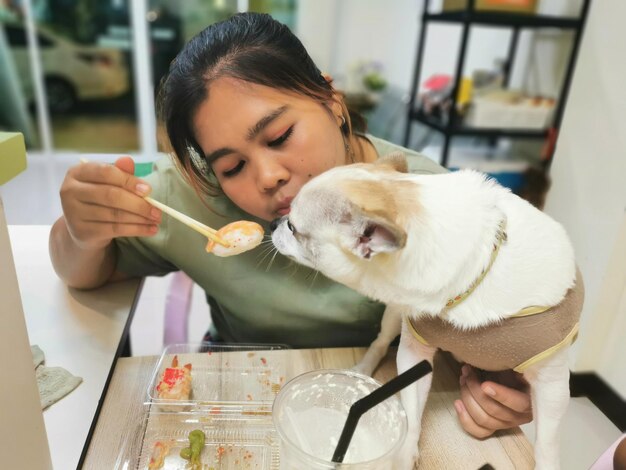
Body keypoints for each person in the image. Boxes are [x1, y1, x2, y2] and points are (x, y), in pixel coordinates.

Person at [49, 12, 531, 438]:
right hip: (239, 387)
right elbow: (83, 272)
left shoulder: (428, 201)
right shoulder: (192, 198)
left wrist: (499, 387)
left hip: (384, 393)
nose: (268, 176)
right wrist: (82, 232)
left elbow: (505, 330)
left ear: (331, 100)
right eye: (232, 167)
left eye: (279, 136)